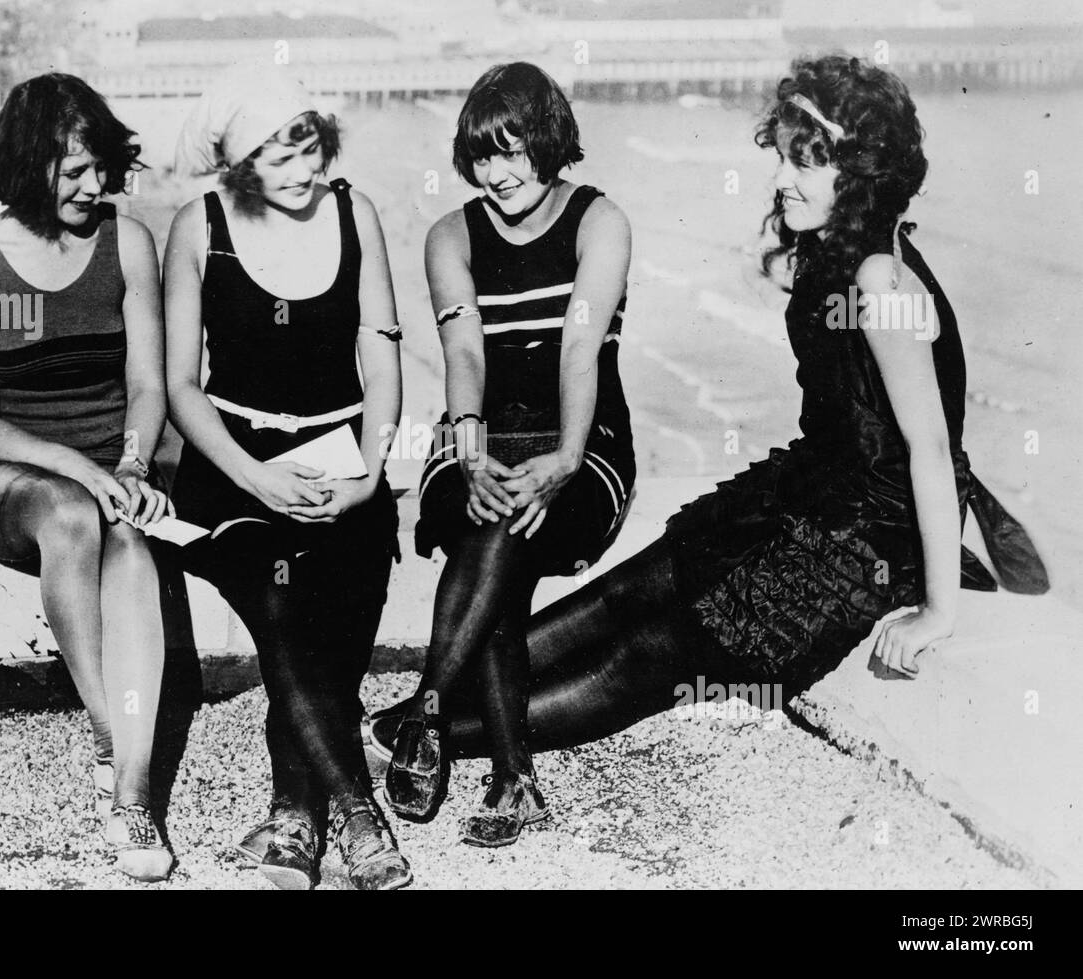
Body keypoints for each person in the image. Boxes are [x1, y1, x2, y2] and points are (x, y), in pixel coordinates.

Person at [370, 56, 1047, 774]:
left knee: (647, 654)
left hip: (860, 543)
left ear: (864, 174)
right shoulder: (833, 252)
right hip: (805, 493)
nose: (782, 178)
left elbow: (932, 449)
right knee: (627, 591)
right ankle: (426, 711)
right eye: (784, 157)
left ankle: (423, 731)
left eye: (807, 164)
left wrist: (937, 609)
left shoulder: (880, 281)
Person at [165, 68, 411, 890]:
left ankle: (291, 814)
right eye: (277, 157)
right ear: (238, 167)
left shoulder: (355, 213)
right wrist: (256, 480)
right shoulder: (198, 229)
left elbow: (380, 353)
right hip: (232, 473)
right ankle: (357, 812)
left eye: (307, 146)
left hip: (343, 463)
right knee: (280, 609)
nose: (302, 170)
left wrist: (373, 472)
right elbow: (179, 388)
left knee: (336, 633)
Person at [381, 62, 636, 847]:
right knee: (492, 533)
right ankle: (510, 776)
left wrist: (561, 458)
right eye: (483, 155)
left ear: (550, 141)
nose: (498, 173)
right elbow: (464, 356)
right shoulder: (450, 235)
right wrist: (466, 451)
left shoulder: (599, 221)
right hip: (477, 437)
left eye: (515, 150)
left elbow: (579, 349)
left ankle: (429, 704)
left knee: (502, 537)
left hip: (582, 440)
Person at [0, 73, 174, 882]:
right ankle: (111, 729)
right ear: (25, 163)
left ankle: (133, 794)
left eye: (101, 165)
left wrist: (134, 462)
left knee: (133, 550)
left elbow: (148, 386)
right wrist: (84, 466)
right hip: (4, 479)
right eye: (72, 168)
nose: (94, 184)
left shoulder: (127, 242)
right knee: (72, 516)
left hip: (113, 465)